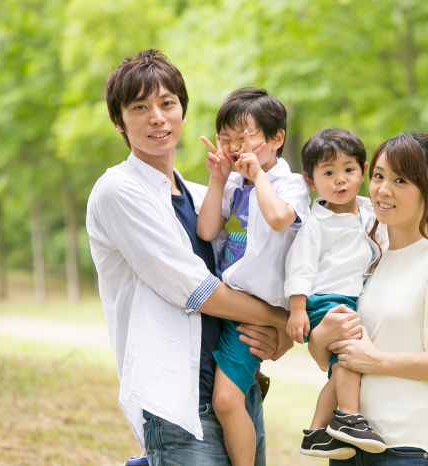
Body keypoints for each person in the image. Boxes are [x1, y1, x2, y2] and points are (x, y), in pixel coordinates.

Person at [86, 49, 292, 466]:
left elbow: (256, 272)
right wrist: (286, 321)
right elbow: (199, 292)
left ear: (182, 110)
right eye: (139, 108)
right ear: (119, 121)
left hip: (235, 386)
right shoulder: (119, 192)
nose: (157, 117)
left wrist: (281, 337)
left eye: (167, 104)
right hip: (179, 404)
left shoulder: (204, 196)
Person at [311, 133, 428, 466]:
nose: (383, 190)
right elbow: (339, 356)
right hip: (348, 444)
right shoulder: (369, 256)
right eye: (379, 176)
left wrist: (378, 361)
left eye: (400, 180)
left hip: (406, 450)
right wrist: (320, 339)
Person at [196, 87, 310, 466]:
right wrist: (217, 178)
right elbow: (208, 231)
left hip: (254, 311)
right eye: (225, 139)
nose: (233, 148)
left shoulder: (288, 184)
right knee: (230, 396)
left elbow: (279, 218)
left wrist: (258, 175)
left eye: (243, 139)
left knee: (227, 401)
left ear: (276, 138)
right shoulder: (233, 183)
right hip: (227, 301)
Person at [283, 128, 387, 459]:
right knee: (351, 355)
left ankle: (316, 432)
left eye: (348, 170)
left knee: (341, 365)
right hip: (326, 300)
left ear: (364, 172)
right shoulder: (317, 223)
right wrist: (297, 309)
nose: (340, 180)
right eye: (328, 173)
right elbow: (300, 266)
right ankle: (348, 418)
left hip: (353, 299)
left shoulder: (371, 210)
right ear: (310, 181)